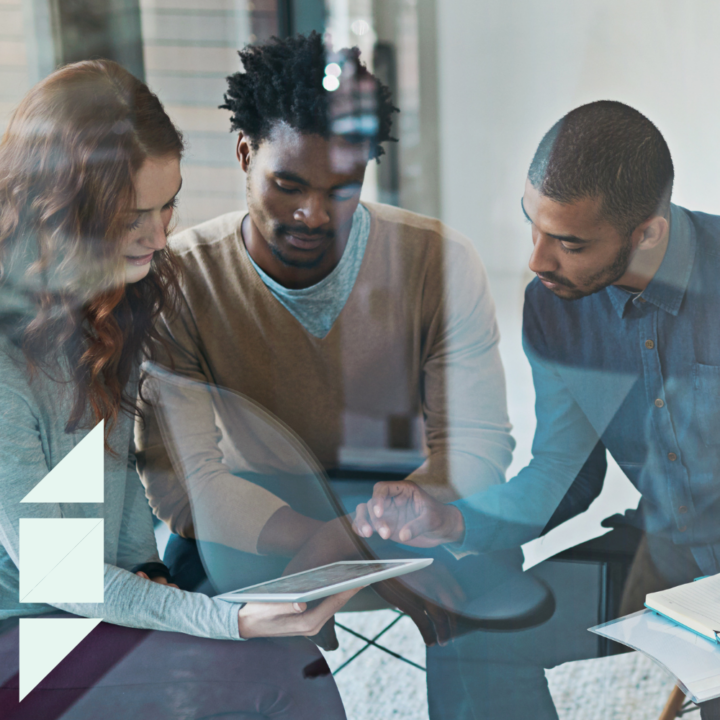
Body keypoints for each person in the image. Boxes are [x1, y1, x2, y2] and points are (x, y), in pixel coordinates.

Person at [134, 32, 515, 718]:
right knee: (199, 626)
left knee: (492, 622)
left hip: (409, 503)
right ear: (246, 154)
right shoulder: (179, 280)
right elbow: (182, 484)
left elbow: (480, 450)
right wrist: (318, 543)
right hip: (255, 513)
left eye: (342, 188)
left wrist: (352, 540)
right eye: (289, 185)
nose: (313, 213)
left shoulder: (438, 263)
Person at [0, 59, 357, 720]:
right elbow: (60, 575)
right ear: (58, 209)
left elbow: (115, 482)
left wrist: (156, 577)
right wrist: (229, 622)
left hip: (92, 605)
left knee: (282, 650)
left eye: (169, 204)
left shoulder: (105, 303)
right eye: (132, 215)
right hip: (21, 640)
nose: (161, 236)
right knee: (276, 671)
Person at [353, 100, 720, 719]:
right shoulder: (555, 307)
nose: (537, 260)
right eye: (534, 226)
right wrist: (452, 521)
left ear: (647, 232)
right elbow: (563, 474)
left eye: (569, 243)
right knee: (473, 629)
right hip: (665, 550)